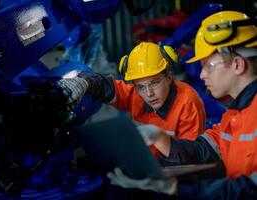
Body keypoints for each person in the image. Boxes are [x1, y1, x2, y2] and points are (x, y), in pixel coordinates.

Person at [107, 10, 257, 199]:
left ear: (237, 64)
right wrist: (159, 138)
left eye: (208, 65)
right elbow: (204, 150)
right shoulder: (234, 115)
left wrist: (177, 189)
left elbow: (249, 190)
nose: (202, 75)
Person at [58, 42, 206, 158]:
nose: (149, 94)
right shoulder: (136, 96)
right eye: (141, 87)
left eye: (154, 83)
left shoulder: (187, 101)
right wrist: (83, 82)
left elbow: (191, 157)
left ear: (168, 78)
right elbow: (105, 86)